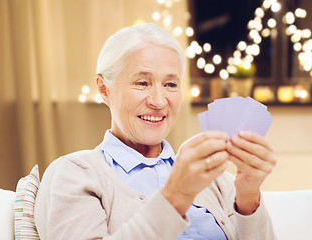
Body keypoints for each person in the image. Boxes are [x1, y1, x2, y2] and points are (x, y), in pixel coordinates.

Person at [34, 23, 277, 240]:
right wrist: (176, 196)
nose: (159, 101)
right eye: (142, 83)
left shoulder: (218, 181)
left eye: (170, 84)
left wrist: (248, 196)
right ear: (104, 89)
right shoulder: (75, 173)